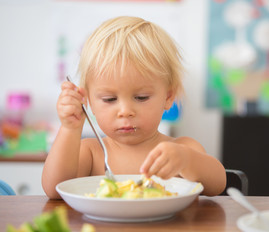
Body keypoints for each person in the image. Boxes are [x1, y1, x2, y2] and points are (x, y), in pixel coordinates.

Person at [42, 16, 226, 199]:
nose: (125, 111)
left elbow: (218, 184)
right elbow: (54, 190)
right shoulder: (91, 152)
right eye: (109, 99)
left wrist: (187, 160)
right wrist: (69, 129)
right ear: (88, 100)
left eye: (141, 97)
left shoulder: (182, 149)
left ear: (168, 96)